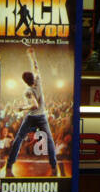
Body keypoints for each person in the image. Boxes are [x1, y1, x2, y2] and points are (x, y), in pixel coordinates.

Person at [5, 47, 61, 177]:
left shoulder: (28, 91)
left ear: (25, 81)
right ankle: (54, 167)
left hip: (32, 117)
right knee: (50, 140)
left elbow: (34, 105)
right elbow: (36, 67)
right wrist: (32, 55)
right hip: (42, 116)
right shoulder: (38, 80)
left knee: (18, 139)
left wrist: (22, 108)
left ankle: (9, 166)